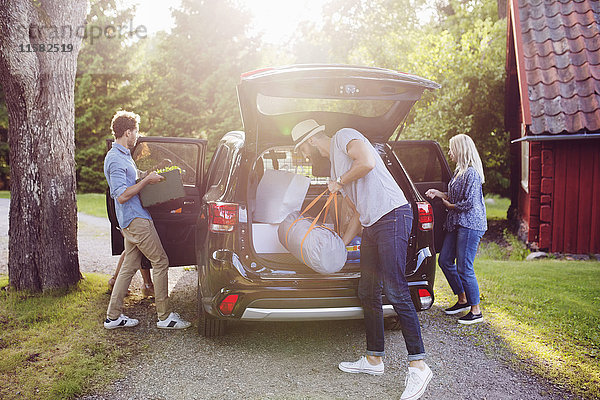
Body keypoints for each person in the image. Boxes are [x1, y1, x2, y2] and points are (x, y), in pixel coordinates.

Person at [291, 119, 432, 400]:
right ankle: (373, 359)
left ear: (309, 140)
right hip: (371, 224)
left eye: (301, 149)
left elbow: (367, 161)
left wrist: (339, 182)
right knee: (367, 291)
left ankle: (418, 364)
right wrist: (340, 245)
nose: (303, 154)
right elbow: (356, 212)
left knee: (395, 288)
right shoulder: (334, 166)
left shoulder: (345, 135)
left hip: (392, 215)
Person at [103, 110, 191, 330]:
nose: (138, 135)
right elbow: (122, 195)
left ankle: (113, 317)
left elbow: (134, 177)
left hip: (134, 219)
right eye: (135, 131)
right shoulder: (114, 159)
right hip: (135, 220)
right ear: (126, 132)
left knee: (128, 268)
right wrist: (146, 182)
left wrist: (150, 174)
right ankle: (164, 317)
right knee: (160, 261)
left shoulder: (123, 155)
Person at [425, 134, 487, 325]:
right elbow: (453, 196)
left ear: (460, 149)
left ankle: (475, 311)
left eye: (451, 149)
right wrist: (438, 193)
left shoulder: (472, 173)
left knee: (464, 267)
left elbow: (469, 202)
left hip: (469, 224)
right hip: (456, 224)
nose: (449, 152)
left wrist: (450, 207)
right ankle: (462, 299)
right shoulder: (460, 171)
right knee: (444, 260)